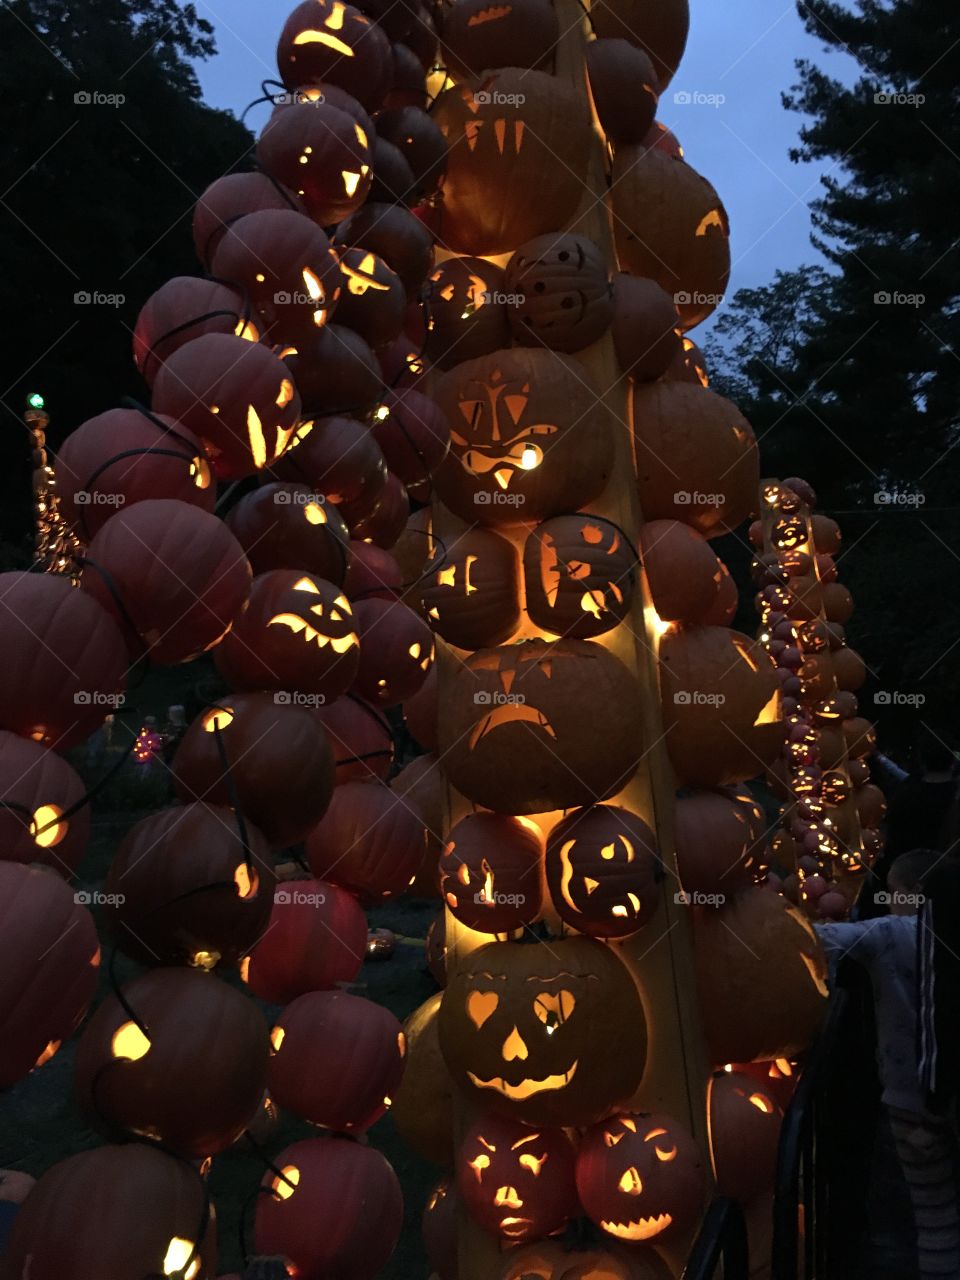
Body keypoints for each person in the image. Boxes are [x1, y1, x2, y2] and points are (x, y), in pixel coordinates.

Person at [815, 850, 960, 1280]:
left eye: (893, 893)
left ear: (913, 894)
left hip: (905, 1098)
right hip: (948, 1087)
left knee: (933, 1216)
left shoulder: (888, 933)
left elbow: (816, 941)